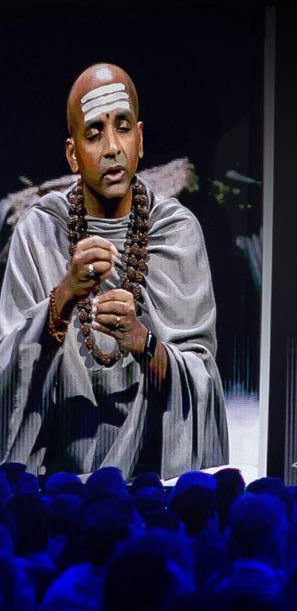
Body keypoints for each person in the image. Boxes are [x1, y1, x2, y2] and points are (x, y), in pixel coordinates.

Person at [0, 63, 228, 475]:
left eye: (122, 128)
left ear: (139, 140)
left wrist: (143, 342)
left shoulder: (177, 232)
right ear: (73, 154)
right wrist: (63, 298)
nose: (111, 147)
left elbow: (203, 382)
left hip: (153, 485)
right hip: (55, 485)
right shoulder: (38, 232)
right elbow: (7, 369)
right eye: (94, 133)